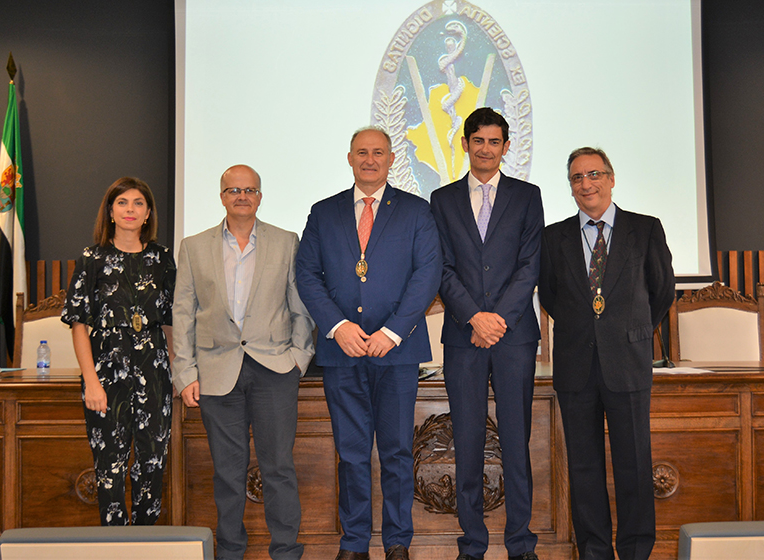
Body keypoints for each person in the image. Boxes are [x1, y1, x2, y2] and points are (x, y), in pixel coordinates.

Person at [295, 127, 442, 560]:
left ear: (392, 159)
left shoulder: (416, 211)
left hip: (397, 352)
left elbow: (427, 275)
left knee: (397, 452)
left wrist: (392, 332)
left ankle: (397, 542)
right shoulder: (323, 213)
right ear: (349, 158)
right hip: (342, 353)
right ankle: (354, 543)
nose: (370, 159)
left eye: (378, 152)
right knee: (352, 453)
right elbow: (307, 275)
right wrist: (337, 326)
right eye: (362, 152)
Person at [539, 148, 675, 560]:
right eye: (577, 178)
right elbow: (550, 294)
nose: (586, 184)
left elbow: (662, 290)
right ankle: (595, 551)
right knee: (583, 470)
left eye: (593, 174)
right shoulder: (554, 236)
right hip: (576, 365)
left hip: (628, 364)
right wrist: (589, 328)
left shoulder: (645, 229)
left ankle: (635, 551)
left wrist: (627, 331)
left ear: (611, 179)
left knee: (634, 466)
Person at [172, 165, 314, 560]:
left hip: (274, 370)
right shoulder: (194, 246)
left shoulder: (286, 242)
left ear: (260, 196)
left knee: (279, 469)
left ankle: (286, 551)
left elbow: (300, 307)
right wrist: (185, 373)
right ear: (221, 196)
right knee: (228, 474)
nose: (242, 196)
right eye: (234, 190)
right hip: (216, 375)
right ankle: (230, 551)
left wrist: (299, 358)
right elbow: (183, 314)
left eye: (250, 190)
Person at [430, 107, 544, 560]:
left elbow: (530, 264)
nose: (486, 149)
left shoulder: (527, 195)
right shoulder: (442, 200)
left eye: (495, 142)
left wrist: (496, 319)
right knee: (468, 444)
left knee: (516, 442)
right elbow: (441, 267)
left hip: (513, 337)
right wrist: (473, 317)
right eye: (478, 140)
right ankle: (472, 544)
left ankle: (521, 544)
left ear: (506, 147)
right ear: (465, 144)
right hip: (464, 337)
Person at [62, 176, 176, 525]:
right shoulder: (92, 258)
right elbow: (79, 324)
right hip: (107, 375)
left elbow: (171, 320)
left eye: (138, 203)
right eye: (122, 202)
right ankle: (114, 544)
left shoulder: (162, 258)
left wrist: (174, 370)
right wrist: (91, 382)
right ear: (110, 211)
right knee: (110, 470)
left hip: (154, 373)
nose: (130, 209)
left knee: (152, 466)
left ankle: (145, 544)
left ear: (148, 213)